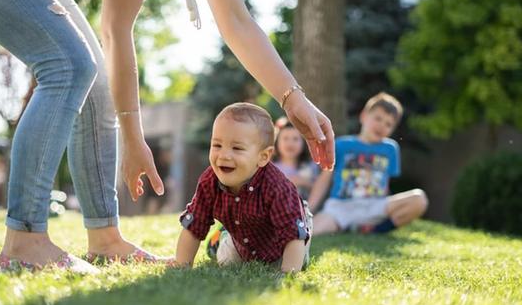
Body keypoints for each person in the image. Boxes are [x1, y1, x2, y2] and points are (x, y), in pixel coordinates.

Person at [0, 0, 333, 273]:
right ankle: (25, 241)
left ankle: (105, 239)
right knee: (70, 65)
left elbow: (237, 23)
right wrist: (133, 140)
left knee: (97, 80)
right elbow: (116, 31)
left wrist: (293, 99)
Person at [175, 103, 312, 273]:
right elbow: (194, 225)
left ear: (263, 157)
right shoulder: (209, 181)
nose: (224, 155)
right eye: (217, 145)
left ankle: (224, 236)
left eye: (237, 148)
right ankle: (220, 240)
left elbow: (293, 236)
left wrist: (288, 275)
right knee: (228, 261)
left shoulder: (278, 187)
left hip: (283, 241)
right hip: (243, 240)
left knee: (297, 262)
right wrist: (181, 265)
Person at [308, 93, 428, 236]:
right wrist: (309, 209)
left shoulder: (391, 149)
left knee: (419, 199)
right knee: (311, 230)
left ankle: (374, 230)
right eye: (378, 118)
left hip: (375, 206)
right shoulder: (341, 145)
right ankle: (349, 226)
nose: (382, 126)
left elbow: (385, 184)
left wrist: (388, 207)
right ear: (364, 116)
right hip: (341, 207)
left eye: (388, 124)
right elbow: (324, 179)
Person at [273, 117, 320, 200]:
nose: (290, 143)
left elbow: (320, 189)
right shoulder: (271, 167)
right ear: (277, 142)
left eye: (295, 139)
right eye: (285, 138)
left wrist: (303, 182)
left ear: (304, 143)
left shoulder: (310, 165)